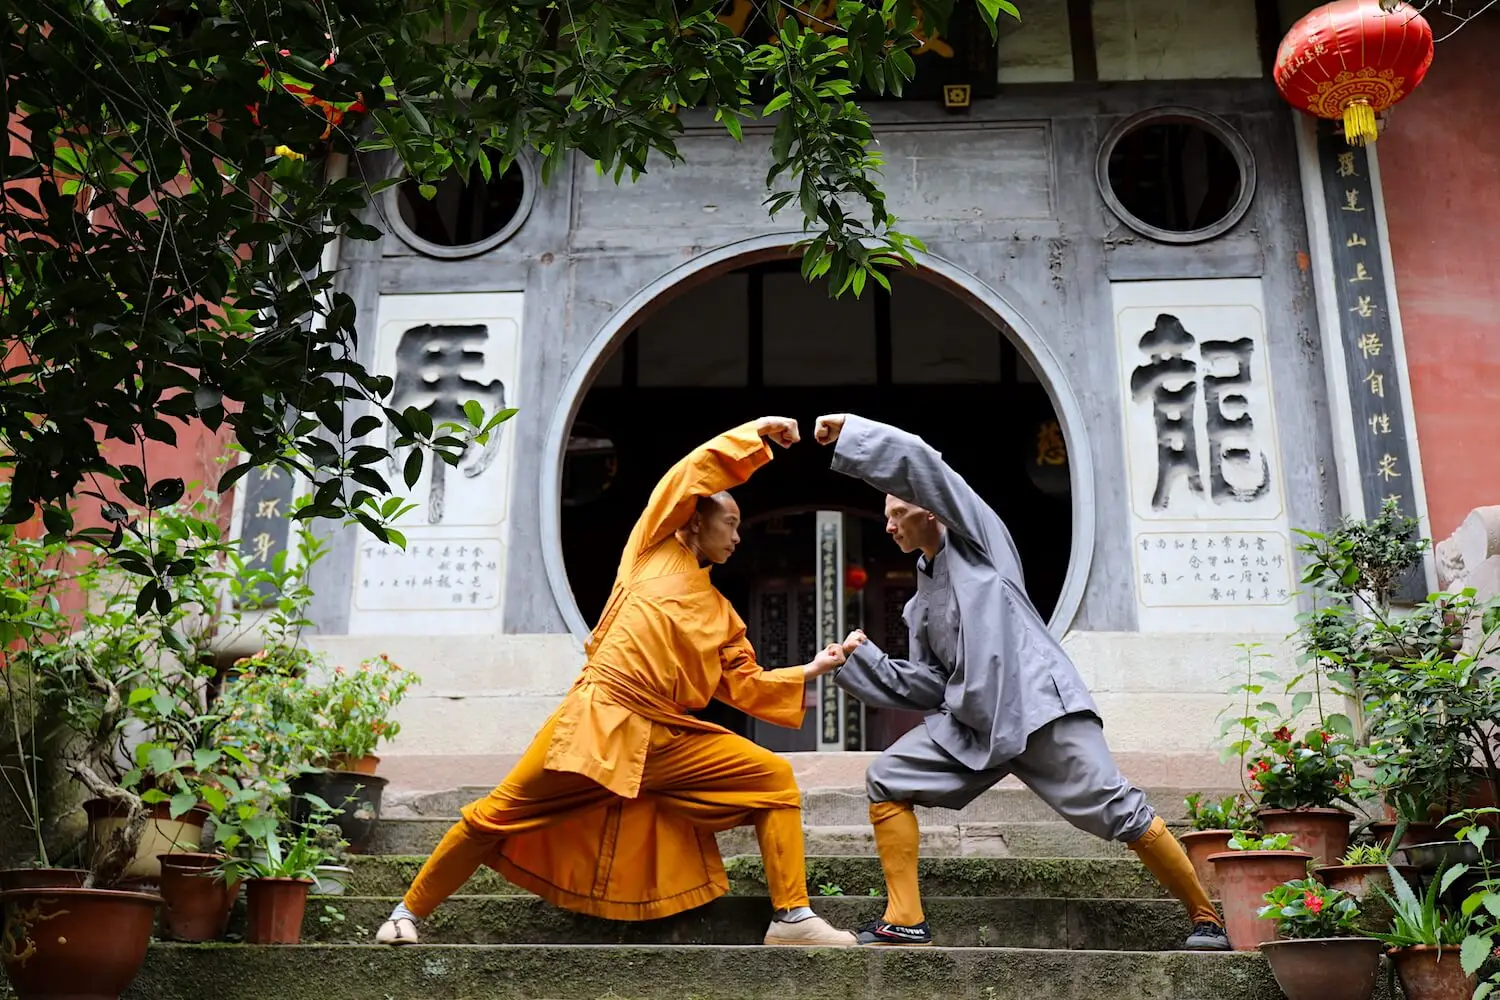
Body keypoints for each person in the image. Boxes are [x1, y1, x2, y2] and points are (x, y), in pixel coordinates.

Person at [376, 417, 856, 948]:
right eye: (731, 522)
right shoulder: (651, 550)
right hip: (597, 722)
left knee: (773, 779)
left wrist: (810, 670)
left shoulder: (721, 611)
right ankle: (405, 913)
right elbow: (687, 475)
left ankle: (791, 918)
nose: (739, 536)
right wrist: (756, 435)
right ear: (693, 522)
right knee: (496, 813)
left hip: (668, 739)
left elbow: (744, 682)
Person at [811, 412, 1228, 951]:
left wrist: (852, 435)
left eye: (899, 511)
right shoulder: (919, 605)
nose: (888, 525)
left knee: (1119, 807)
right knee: (887, 777)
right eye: (886, 516)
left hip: (1038, 710)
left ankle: (1207, 918)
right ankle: (904, 919)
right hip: (970, 729)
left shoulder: (981, 545)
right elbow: (929, 686)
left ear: (932, 511)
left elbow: (923, 463)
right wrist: (860, 663)